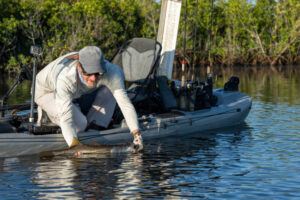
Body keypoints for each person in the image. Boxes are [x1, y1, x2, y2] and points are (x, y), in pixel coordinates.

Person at [35, 46, 143, 153]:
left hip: (78, 92)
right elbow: (67, 119)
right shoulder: (65, 77)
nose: (93, 78)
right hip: (45, 91)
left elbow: (125, 103)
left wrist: (136, 135)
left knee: (113, 91)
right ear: (79, 67)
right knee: (80, 125)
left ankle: (94, 125)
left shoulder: (113, 71)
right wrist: (74, 146)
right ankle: (47, 115)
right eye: (88, 73)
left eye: (98, 73)